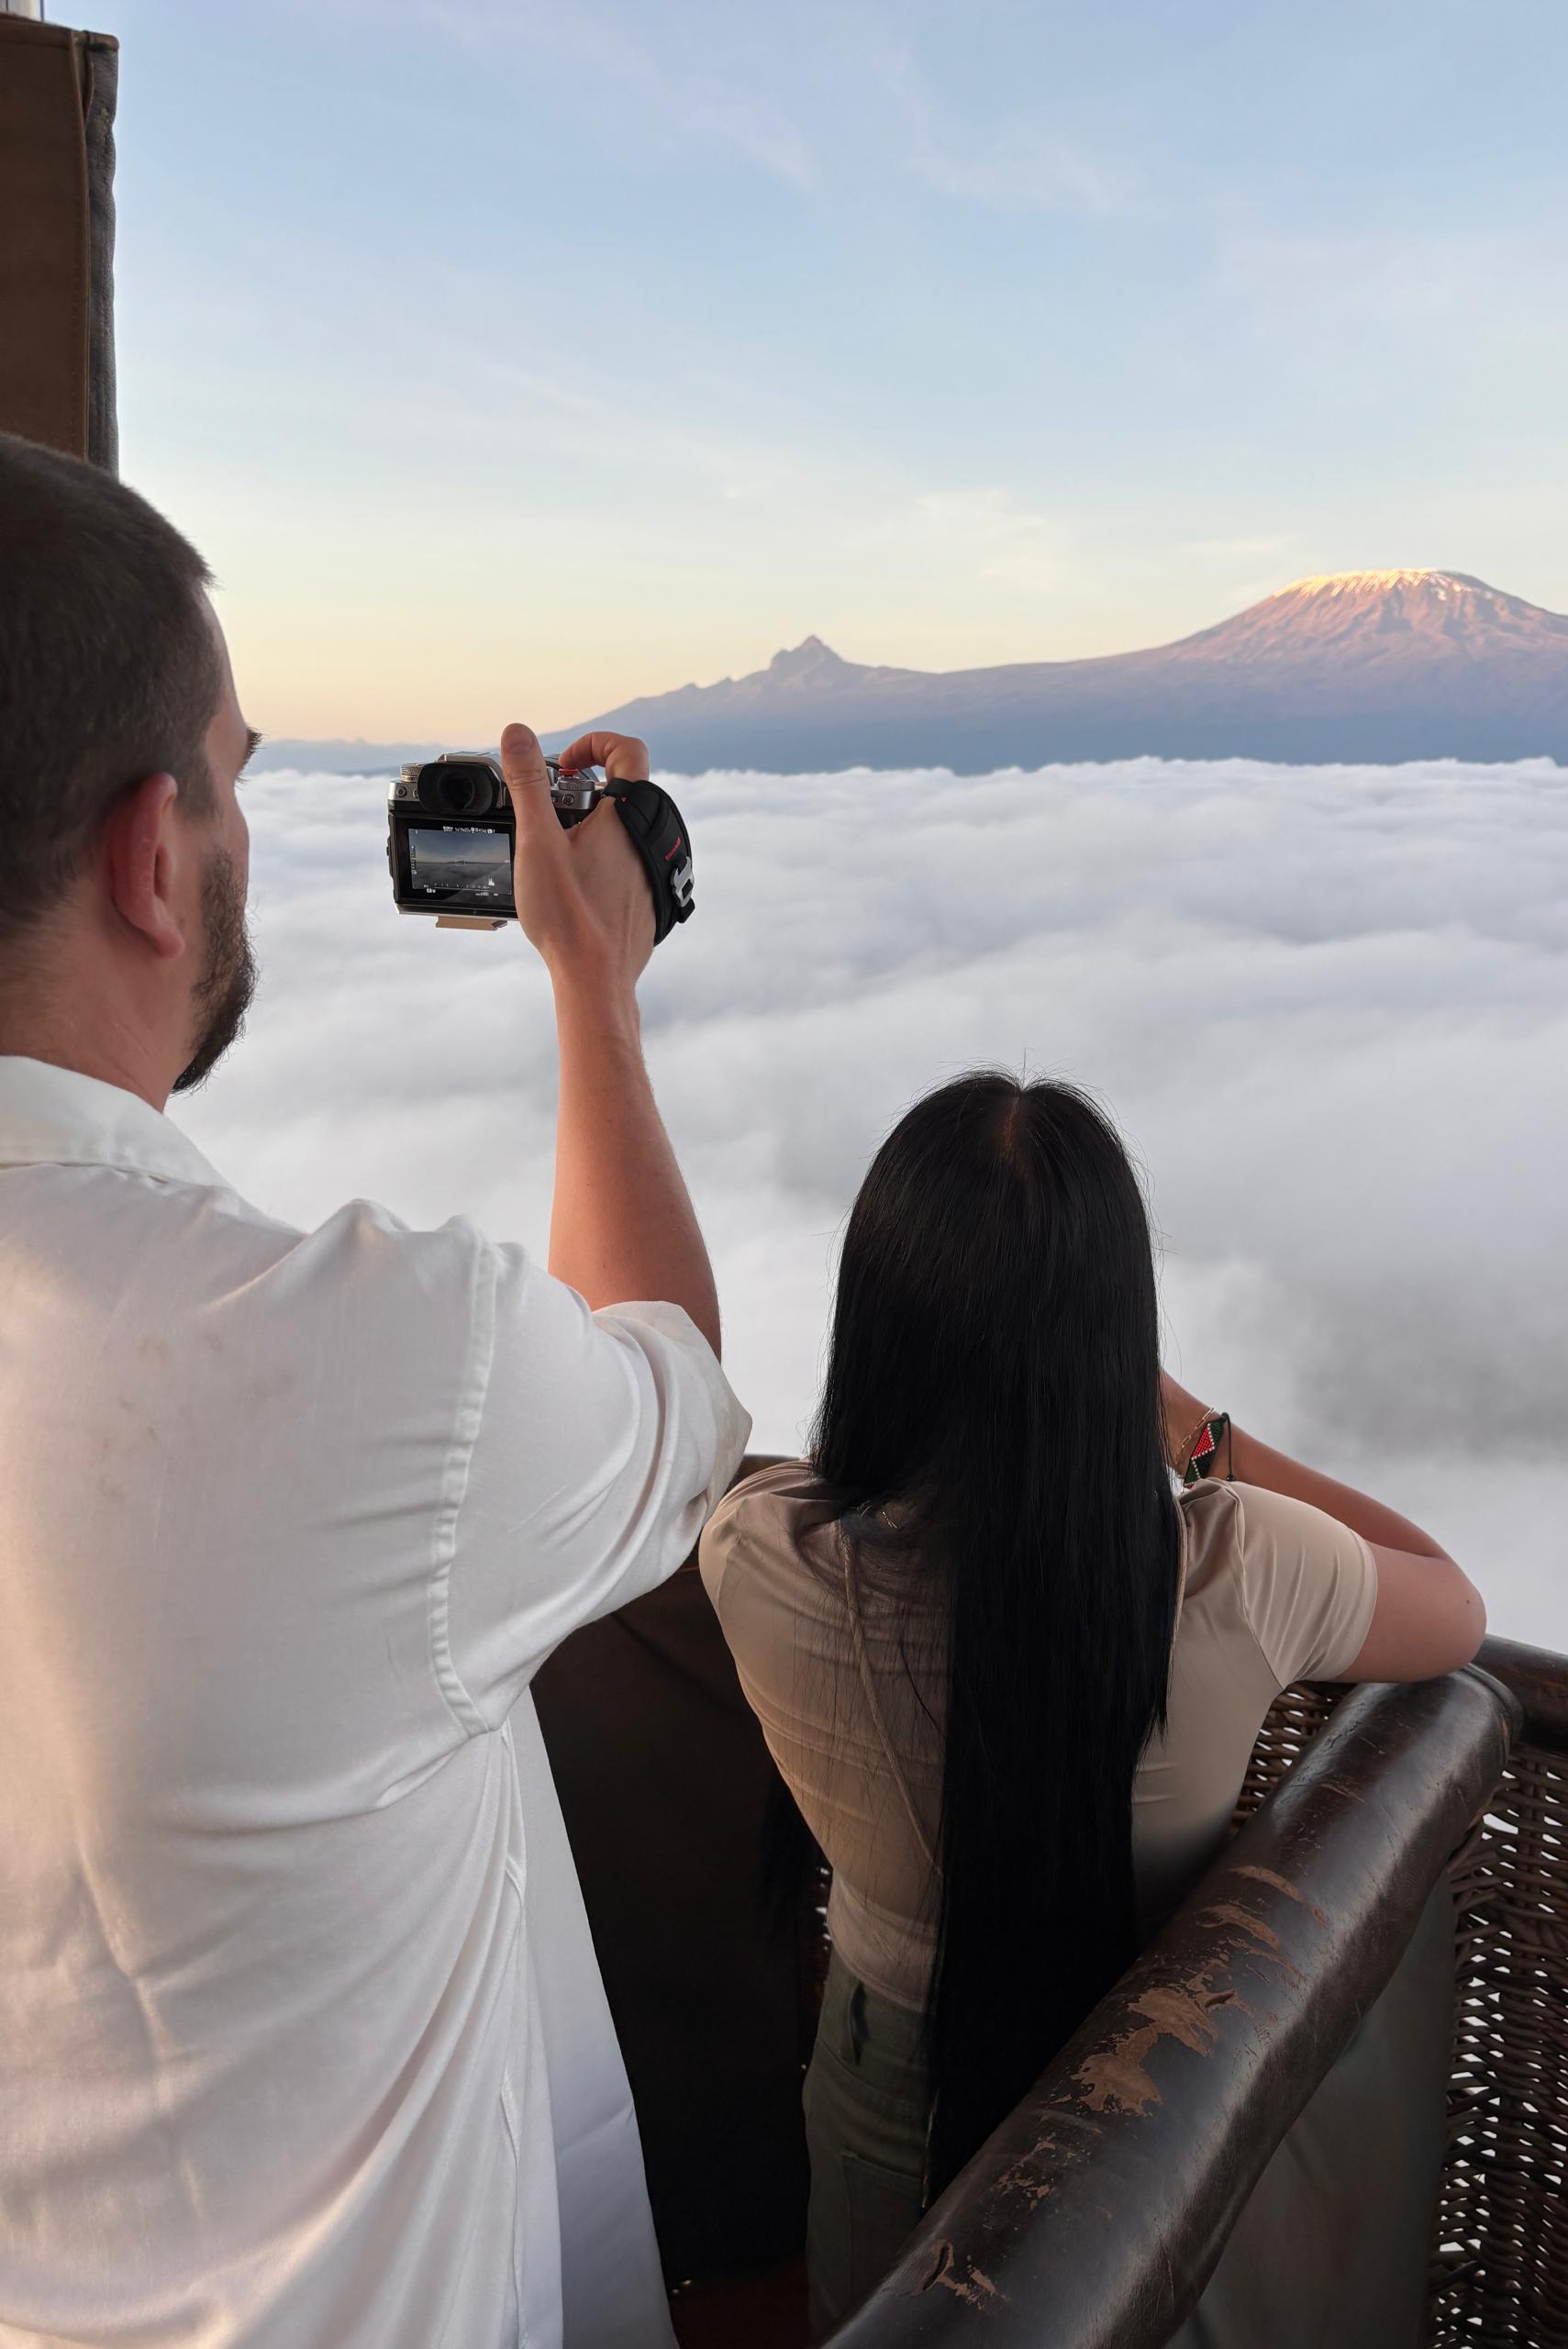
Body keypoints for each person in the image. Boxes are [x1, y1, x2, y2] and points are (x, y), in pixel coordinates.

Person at [0, 431, 750, 2349]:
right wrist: (596, 984)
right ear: (149, 858)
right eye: (238, 776)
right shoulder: (361, 1357)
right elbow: (676, 1403)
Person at [700, 1071, 1486, 2337]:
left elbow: (818, 1483)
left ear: (874, 1321)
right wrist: (1195, 1430)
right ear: (1116, 1338)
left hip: (881, 2073)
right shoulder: (1246, 1572)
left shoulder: (762, 1558)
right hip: (1157, 2106)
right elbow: (1452, 1604)